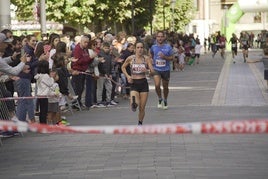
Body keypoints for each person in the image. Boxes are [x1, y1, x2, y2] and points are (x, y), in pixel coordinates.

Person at [121, 42, 154, 125]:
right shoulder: (131, 58)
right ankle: (134, 105)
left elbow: (152, 71)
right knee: (134, 103)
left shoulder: (146, 59)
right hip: (134, 83)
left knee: (142, 108)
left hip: (143, 84)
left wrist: (147, 71)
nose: (140, 49)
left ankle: (140, 123)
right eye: (138, 47)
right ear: (135, 49)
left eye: (141, 47)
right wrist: (128, 76)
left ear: (143, 49)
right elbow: (123, 67)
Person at [149, 31, 173, 110]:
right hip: (156, 69)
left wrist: (165, 57)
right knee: (157, 85)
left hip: (166, 69)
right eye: (158, 37)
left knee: (165, 87)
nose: (160, 38)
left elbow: (172, 58)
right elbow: (151, 55)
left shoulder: (168, 47)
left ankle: (165, 100)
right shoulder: (153, 47)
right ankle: (160, 98)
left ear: (164, 37)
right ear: (156, 38)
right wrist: (151, 60)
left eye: (161, 36)